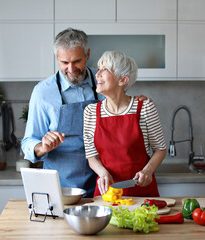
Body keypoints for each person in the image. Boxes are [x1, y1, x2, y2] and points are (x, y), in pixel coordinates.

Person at [22, 28, 149, 197]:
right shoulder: (43, 92)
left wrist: (137, 103)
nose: (71, 68)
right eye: (64, 62)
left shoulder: (104, 81)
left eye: (77, 61)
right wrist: (42, 147)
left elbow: (122, 111)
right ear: (56, 59)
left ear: (88, 54)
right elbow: (28, 142)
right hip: (62, 188)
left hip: (104, 182)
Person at [83, 51, 166, 197]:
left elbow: (160, 149)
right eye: (98, 68)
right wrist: (103, 174)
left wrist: (147, 171)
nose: (97, 74)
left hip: (141, 191)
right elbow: (92, 156)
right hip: (107, 192)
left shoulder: (144, 108)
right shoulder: (90, 112)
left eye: (105, 69)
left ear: (123, 80)